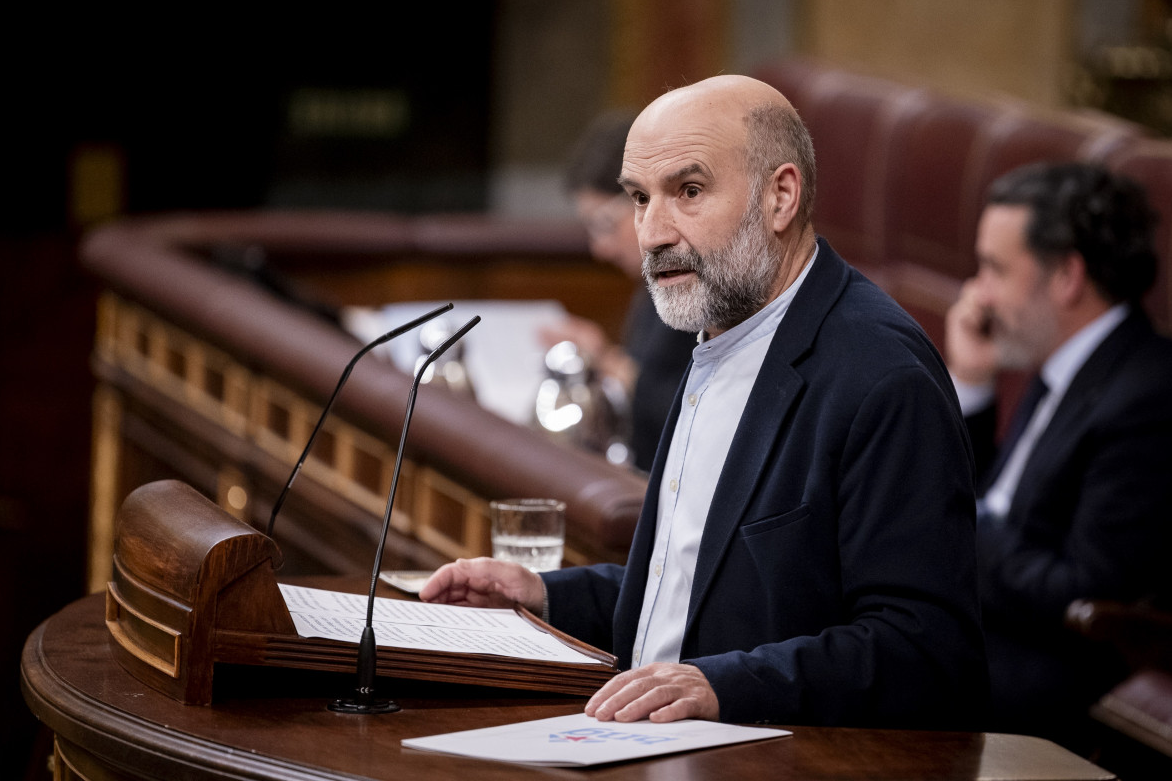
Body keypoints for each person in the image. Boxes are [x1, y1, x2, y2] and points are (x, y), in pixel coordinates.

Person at [423, 74, 987, 728]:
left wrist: (723, 687)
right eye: (638, 198)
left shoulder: (881, 375)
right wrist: (547, 595)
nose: (652, 232)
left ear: (780, 196)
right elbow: (703, 590)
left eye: (688, 191)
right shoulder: (720, 327)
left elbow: (925, 654)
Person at [945, 162, 1172, 746]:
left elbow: (1085, 590)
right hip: (980, 624)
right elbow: (1002, 493)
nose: (977, 294)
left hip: (1041, 672)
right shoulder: (1059, 359)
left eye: (995, 269)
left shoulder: (1150, 394)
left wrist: (955, 524)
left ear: (1067, 276)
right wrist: (972, 382)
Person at [540, 112, 697, 472]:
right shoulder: (654, 281)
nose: (601, 249)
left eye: (606, 224)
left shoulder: (706, 282)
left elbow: (692, 414)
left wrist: (607, 363)